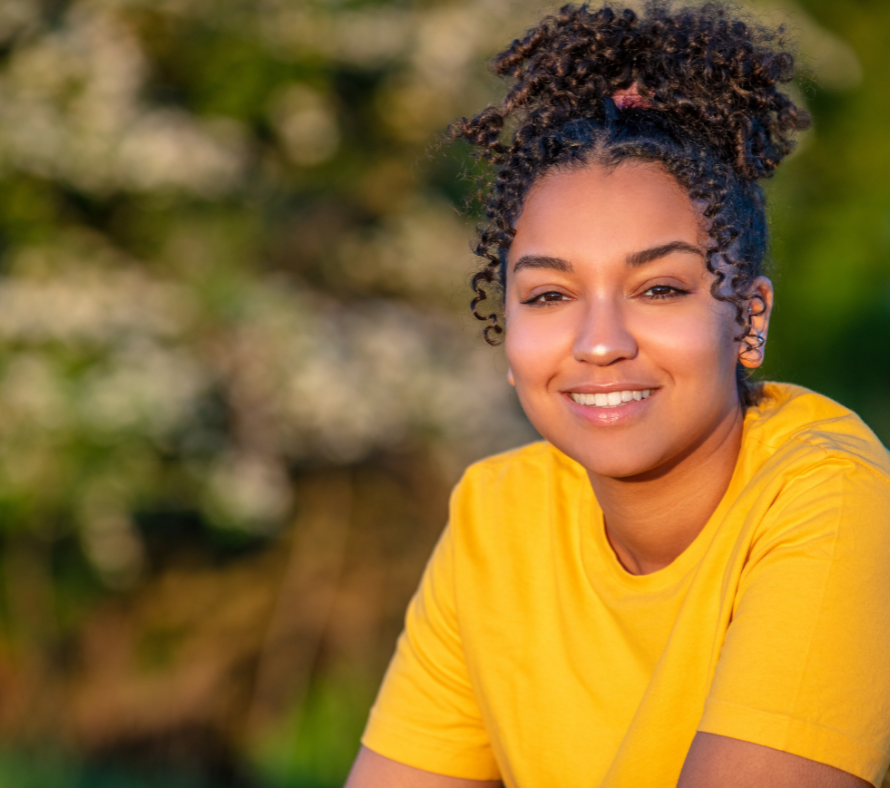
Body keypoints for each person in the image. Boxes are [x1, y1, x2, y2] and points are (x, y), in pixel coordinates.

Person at [345, 2, 890, 786]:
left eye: (660, 288)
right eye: (548, 297)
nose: (600, 341)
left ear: (749, 318)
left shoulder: (832, 500)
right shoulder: (497, 518)